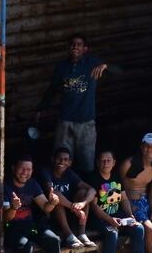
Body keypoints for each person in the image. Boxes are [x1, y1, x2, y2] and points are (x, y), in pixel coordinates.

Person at [2, 155, 71, 253]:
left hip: (29, 226)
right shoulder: (6, 186)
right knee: (24, 246)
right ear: (14, 168)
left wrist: (53, 203)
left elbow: (45, 207)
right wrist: (13, 207)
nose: (25, 172)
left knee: (53, 239)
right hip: (12, 227)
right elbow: (6, 218)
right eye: (22, 169)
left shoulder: (32, 184)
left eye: (29, 169)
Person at [35, 34, 108, 173]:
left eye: (79, 44)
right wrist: (41, 108)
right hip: (65, 121)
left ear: (85, 49)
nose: (75, 47)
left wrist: (105, 66)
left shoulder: (92, 64)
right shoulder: (62, 67)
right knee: (61, 161)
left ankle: (85, 190)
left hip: (86, 122)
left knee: (86, 162)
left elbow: (119, 70)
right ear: (68, 48)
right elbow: (52, 89)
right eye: (73, 44)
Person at [86, 148, 152, 253]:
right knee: (112, 232)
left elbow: (123, 199)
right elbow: (94, 208)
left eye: (108, 160)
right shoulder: (92, 178)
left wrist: (130, 215)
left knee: (138, 227)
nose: (105, 163)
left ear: (114, 162)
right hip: (99, 218)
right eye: (102, 161)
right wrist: (110, 220)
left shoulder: (116, 176)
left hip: (117, 215)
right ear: (98, 163)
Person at [38, 147, 97, 249]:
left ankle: (82, 234)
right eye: (59, 159)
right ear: (53, 159)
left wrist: (82, 203)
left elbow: (92, 190)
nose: (62, 162)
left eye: (66, 160)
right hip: (51, 213)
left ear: (70, 162)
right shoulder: (46, 172)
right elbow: (52, 193)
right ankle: (69, 236)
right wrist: (73, 207)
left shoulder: (69, 173)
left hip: (71, 213)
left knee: (83, 193)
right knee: (56, 199)